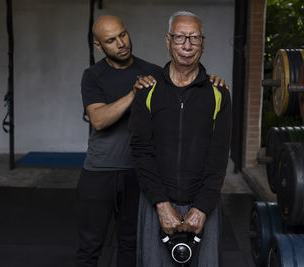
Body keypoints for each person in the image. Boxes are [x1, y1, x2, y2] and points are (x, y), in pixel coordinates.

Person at [76, 15, 227, 267]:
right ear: (99, 46)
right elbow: (99, 120)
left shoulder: (154, 73)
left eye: (122, 34)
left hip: (137, 174)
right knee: (90, 246)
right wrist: (134, 92)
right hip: (101, 170)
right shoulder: (93, 75)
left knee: (130, 245)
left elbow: (184, 93)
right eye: (111, 40)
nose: (121, 43)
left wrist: (213, 82)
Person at [129, 11, 232, 267]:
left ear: (203, 43)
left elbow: (219, 156)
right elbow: (141, 151)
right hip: (157, 203)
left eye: (194, 38)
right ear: (168, 41)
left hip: (202, 205)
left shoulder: (218, 93)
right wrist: (162, 205)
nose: (187, 45)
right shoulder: (147, 91)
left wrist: (203, 207)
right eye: (179, 37)